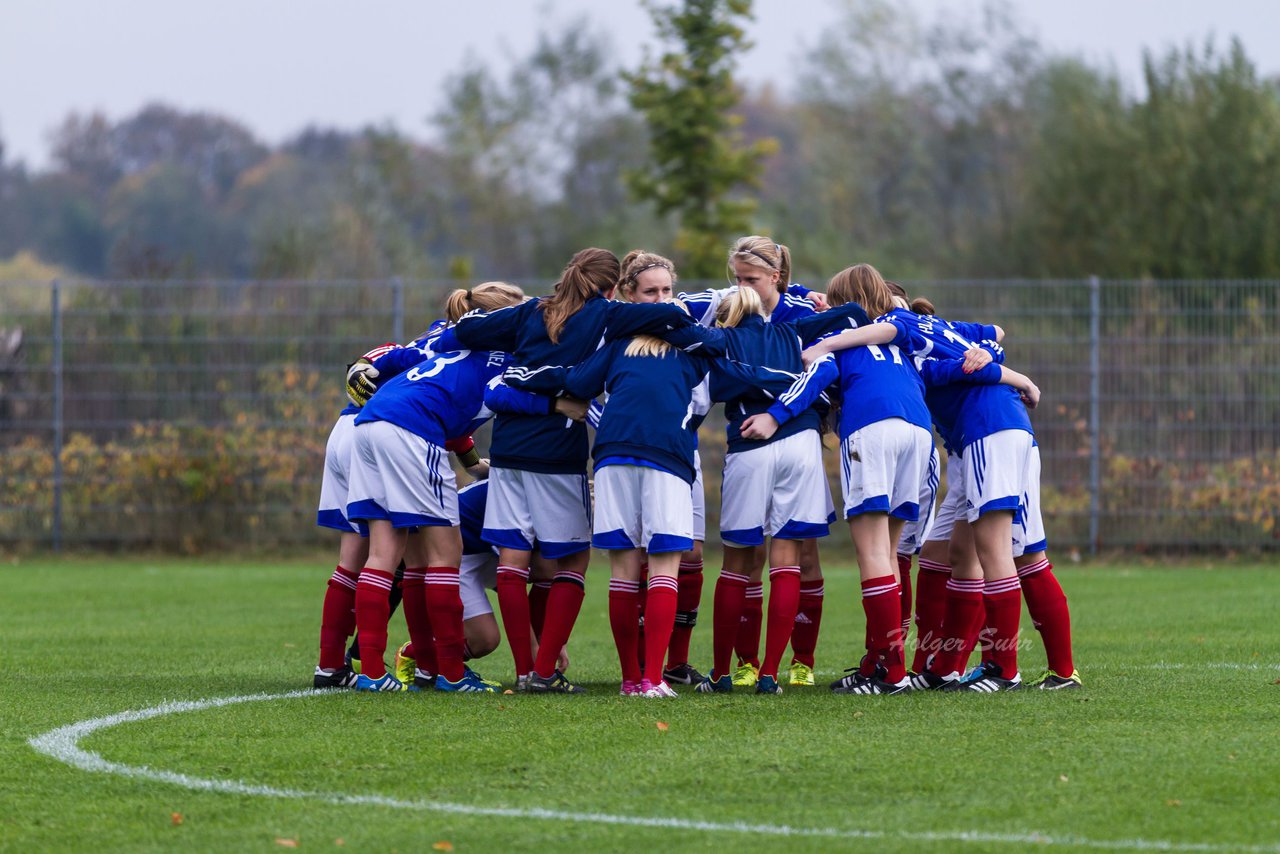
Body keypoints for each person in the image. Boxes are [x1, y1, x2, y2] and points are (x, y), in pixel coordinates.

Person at [431, 248, 691, 693]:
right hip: (558, 450)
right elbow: (669, 317)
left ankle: (524, 670)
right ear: (612, 289)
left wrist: (456, 341)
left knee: (512, 559)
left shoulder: (530, 311)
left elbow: (464, 332)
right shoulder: (607, 315)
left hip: (508, 451)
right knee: (572, 560)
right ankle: (545, 670)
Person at [802, 283, 1047, 693]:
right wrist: (1003, 361)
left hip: (984, 435)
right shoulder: (934, 337)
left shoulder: (902, 328)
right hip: (952, 441)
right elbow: (992, 337)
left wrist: (821, 350)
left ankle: (998, 668)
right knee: (940, 553)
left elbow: (902, 337)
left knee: (983, 552)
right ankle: (936, 665)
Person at [646, 286, 872, 694]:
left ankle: (720, 675)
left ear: (726, 317)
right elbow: (854, 311)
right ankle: (770, 674)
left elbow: (679, 334)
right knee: (787, 559)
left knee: (736, 562)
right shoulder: (794, 330)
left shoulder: (721, 339)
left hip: (751, 446)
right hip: (802, 445)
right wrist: (814, 304)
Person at [345, 282, 526, 692]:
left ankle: (373, 672)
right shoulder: (506, 357)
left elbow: (406, 359)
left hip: (370, 424)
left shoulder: (443, 336)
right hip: (412, 430)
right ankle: (450, 672)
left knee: (387, 553)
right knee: (446, 554)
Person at [678, 236, 828, 688]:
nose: (739, 287)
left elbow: (827, 370)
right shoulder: (731, 314)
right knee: (750, 559)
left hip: (788, 441)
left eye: (750, 279)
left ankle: (788, 665)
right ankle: (742, 668)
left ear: (777, 277)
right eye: (736, 279)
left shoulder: (800, 315)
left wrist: (777, 410)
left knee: (794, 560)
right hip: (765, 443)